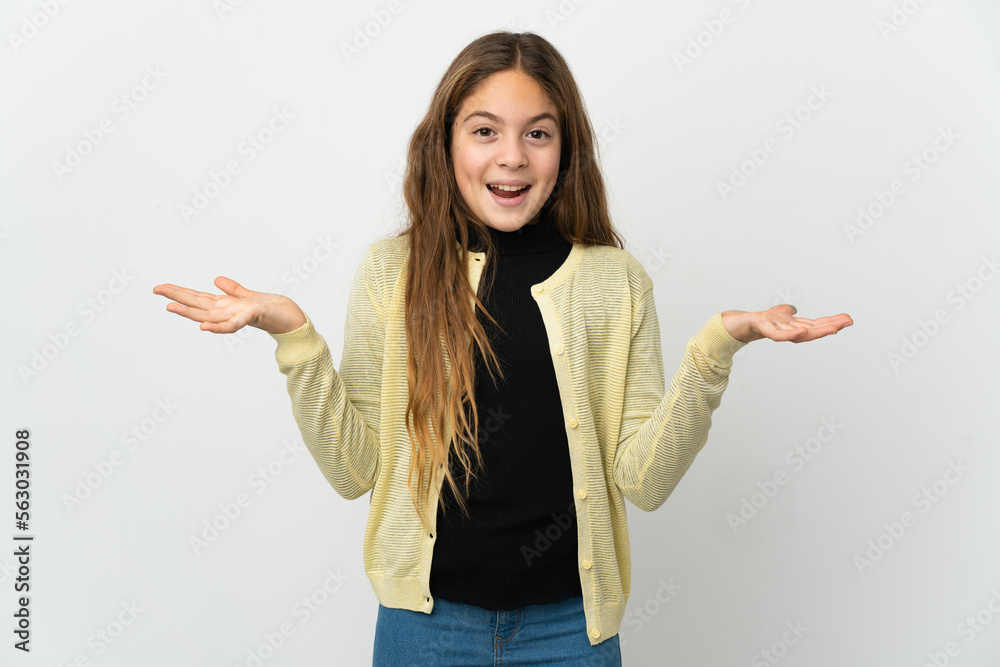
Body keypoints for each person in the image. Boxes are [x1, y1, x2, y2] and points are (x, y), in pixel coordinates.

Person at [153, 30, 852, 666]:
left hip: (571, 635)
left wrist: (714, 351)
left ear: (566, 148)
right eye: (485, 130)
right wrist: (295, 339)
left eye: (538, 134)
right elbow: (354, 468)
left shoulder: (615, 281)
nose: (512, 156)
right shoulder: (389, 273)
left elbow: (644, 479)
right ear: (447, 142)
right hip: (424, 631)